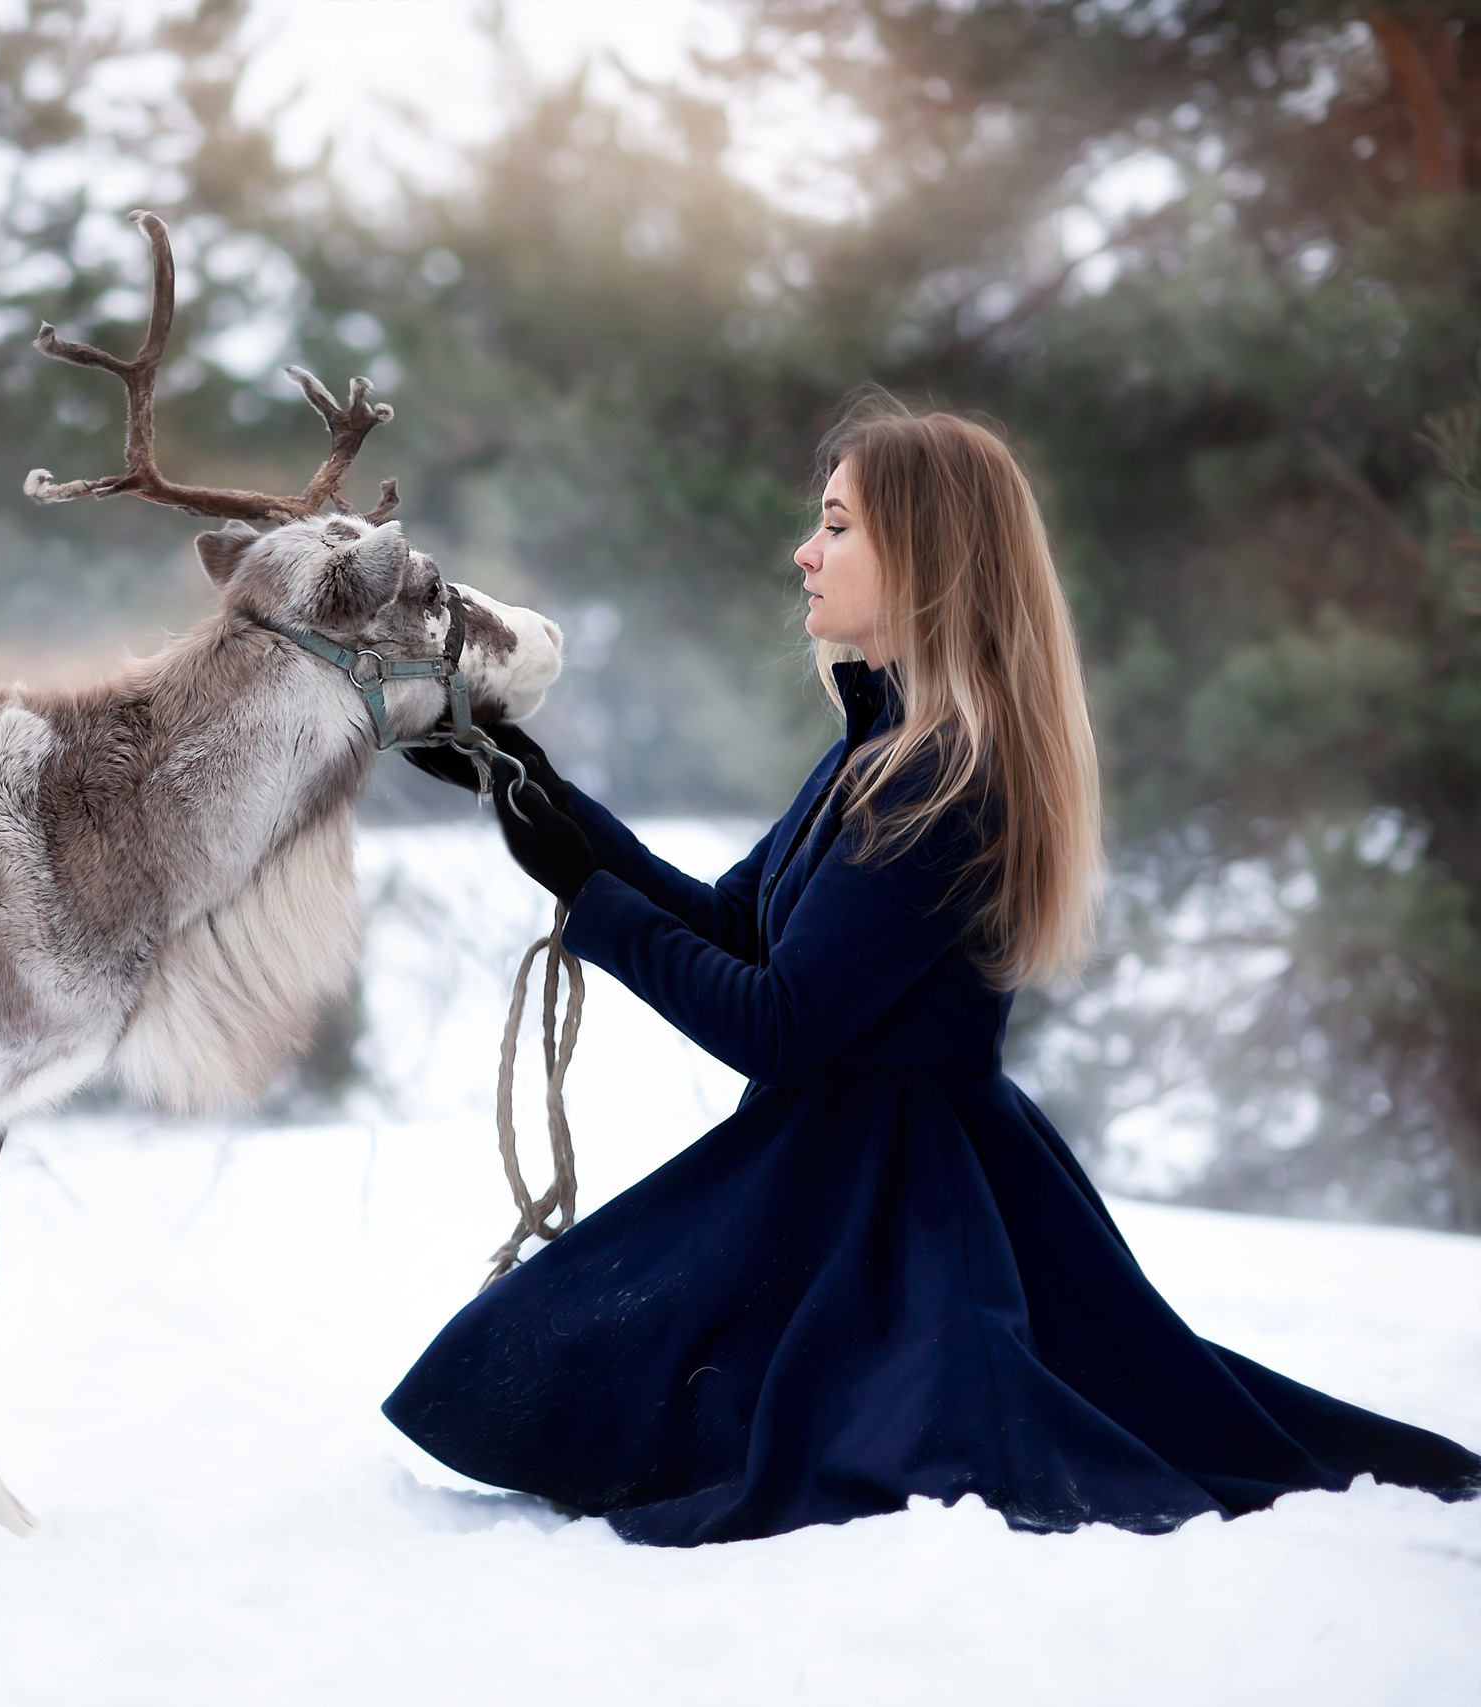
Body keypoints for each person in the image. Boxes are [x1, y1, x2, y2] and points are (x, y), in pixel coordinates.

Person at [386, 399, 1481, 1546]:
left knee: (648, 1387)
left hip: (897, 1200)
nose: (805, 553)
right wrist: (536, 795)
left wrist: (587, 895)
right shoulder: (878, 742)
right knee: (538, 1357)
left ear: (926, 554)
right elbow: (736, 926)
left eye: (837, 527)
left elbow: (776, 1023)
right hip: (831, 1169)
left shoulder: (940, 772)